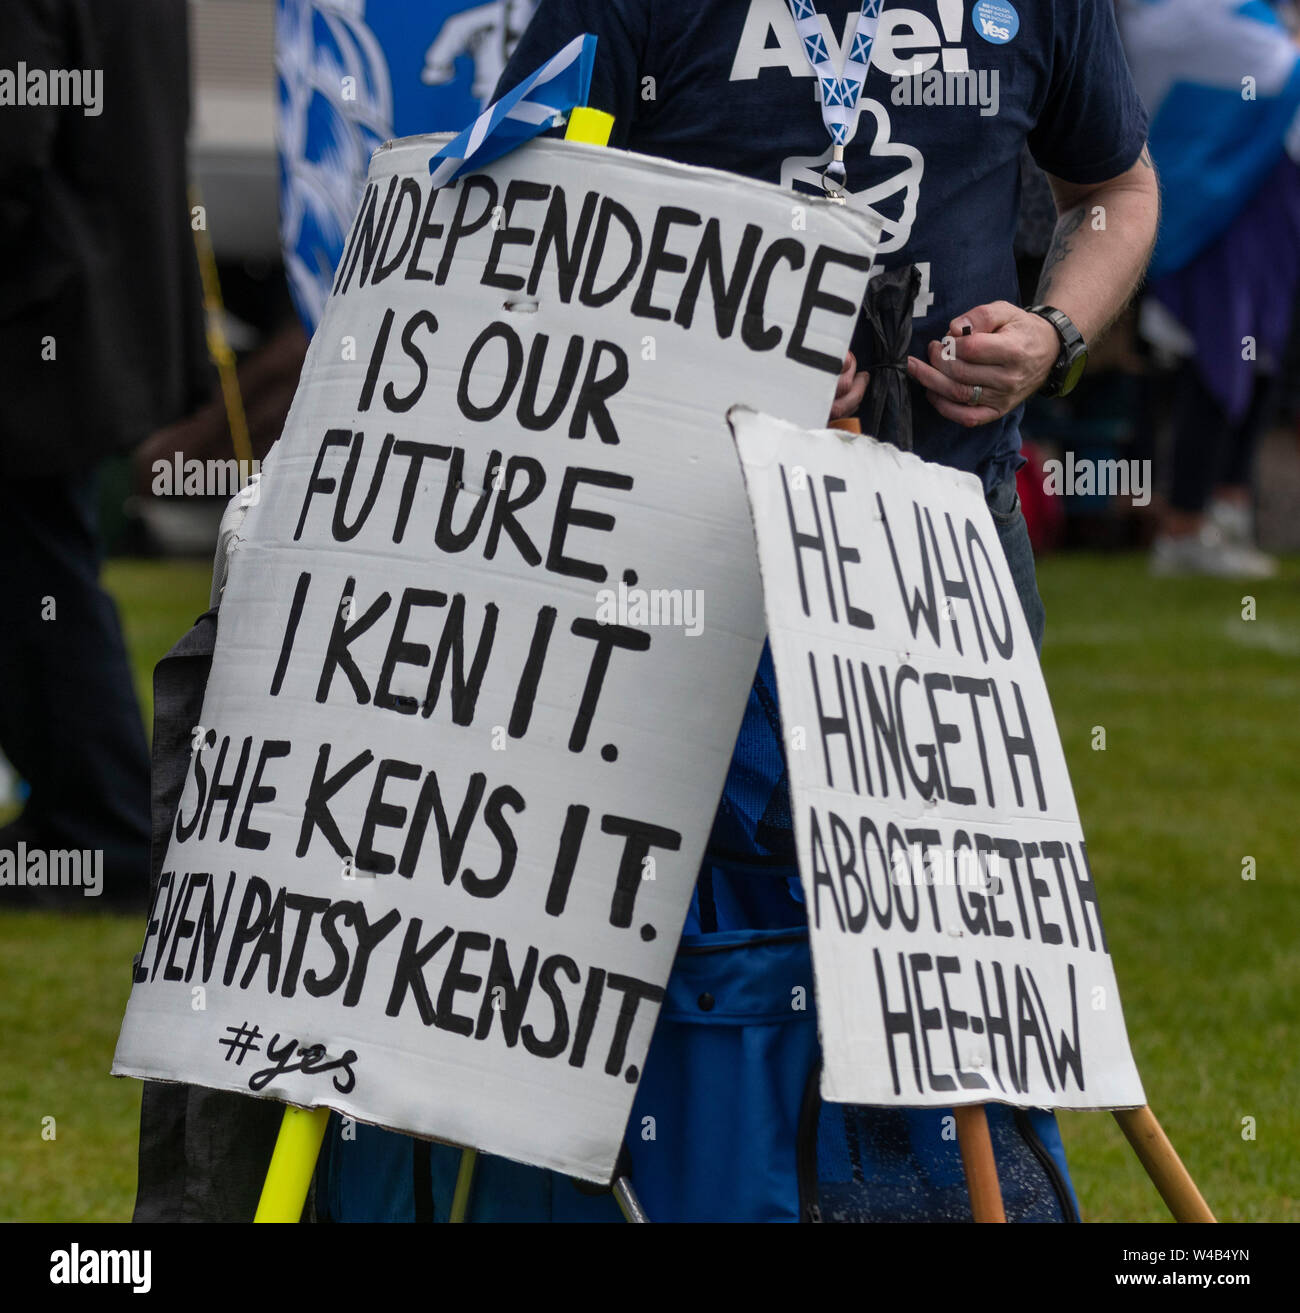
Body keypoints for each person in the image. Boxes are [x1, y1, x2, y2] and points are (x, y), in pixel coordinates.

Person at [302, 0, 1159, 1223]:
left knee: (947, 949)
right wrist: (733, 351)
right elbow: (522, 219)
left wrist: (1054, 331)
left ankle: (926, 1199)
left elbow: (1115, 191)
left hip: (939, 554)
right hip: (669, 558)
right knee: (643, 940)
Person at [0, 0, 211, 911]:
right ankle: (89, 818)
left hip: (41, 303)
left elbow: (11, 135)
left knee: (36, 569)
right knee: (43, 562)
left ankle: (102, 827)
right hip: (93, 299)